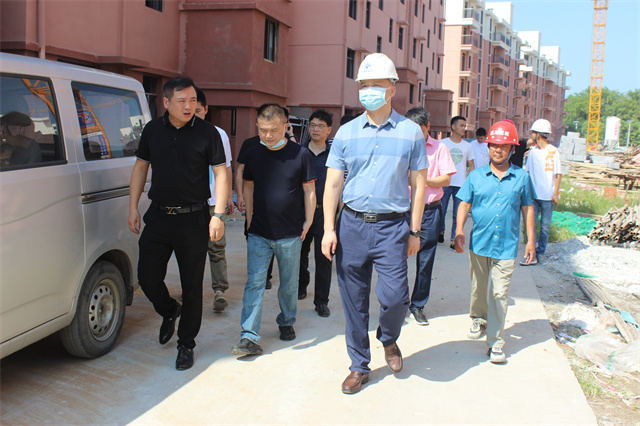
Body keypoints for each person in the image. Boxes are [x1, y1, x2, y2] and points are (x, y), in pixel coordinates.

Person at [322, 53, 428, 394]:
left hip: (392, 228)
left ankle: (389, 337)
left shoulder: (411, 133)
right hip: (352, 226)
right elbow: (333, 184)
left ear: (392, 88)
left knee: (396, 297)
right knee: (353, 301)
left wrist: (415, 230)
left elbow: (419, 185)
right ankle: (359, 366)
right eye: (363, 85)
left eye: (376, 84)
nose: (368, 90)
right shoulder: (346, 133)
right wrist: (328, 229)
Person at [128, 76, 228, 371]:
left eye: (193, 100)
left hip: (194, 219)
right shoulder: (152, 130)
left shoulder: (208, 133)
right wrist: (133, 207)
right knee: (147, 277)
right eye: (182, 101)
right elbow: (140, 168)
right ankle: (170, 309)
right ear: (166, 102)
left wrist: (218, 215)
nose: (189, 106)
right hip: (158, 216)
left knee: (191, 285)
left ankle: (186, 344)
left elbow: (221, 173)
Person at [231, 104, 316, 357]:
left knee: (288, 284)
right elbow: (248, 186)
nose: (268, 135)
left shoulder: (301, 154)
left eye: (274, 130)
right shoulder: (253, 152)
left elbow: (309, 191)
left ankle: (287, 321)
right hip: (259, 232)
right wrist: (249, 218)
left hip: (290, 234)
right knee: (254, 283)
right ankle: (249, 336)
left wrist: (308, 221)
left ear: (286, 126)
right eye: (263, 130)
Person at [453, 120, 535, 364]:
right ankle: (479, 319)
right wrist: (459, 230)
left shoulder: (521, 177)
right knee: (479, 288)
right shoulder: (476, 176)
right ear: (488, 147)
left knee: (499, 293)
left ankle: (496, 342)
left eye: (503, 146)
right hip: (480, 243)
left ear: (512, 149)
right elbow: (464, 204)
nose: (498, 150)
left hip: (507, 246)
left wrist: (530, 240)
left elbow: (528, 208)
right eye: (494, 145)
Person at [405, 107, 457, 325]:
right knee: (395, 258)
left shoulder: (439, 148)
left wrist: (420, 179)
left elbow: (446, 179)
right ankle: (398, 302)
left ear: (428, 126)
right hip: (402, 211)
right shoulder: (402, 146)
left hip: (430, 211)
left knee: (425, 260)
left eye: (420, 130)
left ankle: (417, 305)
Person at [194, 88, 234, 312]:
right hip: (191, 203)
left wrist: (228, 197)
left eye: (198, 110)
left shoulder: (219, 134)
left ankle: (219, 290)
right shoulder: (182, 133)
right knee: (191, 249)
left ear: (206, 109)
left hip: (213, 203)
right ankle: (191, 289)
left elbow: (226, 168)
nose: (193, 114)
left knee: (216, 247)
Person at [298, 109, 333, 317]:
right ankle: (301, 286)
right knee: (299, 254)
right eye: (312, 125)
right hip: (301, 212)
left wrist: (336, 216)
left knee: (324, 257)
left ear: (329, 130)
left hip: (324, 213)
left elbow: (339, 186)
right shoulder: (299, 152)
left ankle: (321, 301)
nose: (315, 129)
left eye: (320, 126)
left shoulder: (334, 155)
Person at [522, 119, 562, 266]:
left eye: (533, 133)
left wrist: (555, 193)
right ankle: (531, 253)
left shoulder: (553, 151)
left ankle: (541, 252)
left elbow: (558, 174)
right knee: (530, 225)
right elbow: (527, 172)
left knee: (545, 226)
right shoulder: (532, 152)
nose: (531, 135)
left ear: (538, 134)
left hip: (547, 195)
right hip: (533, 195)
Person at [440, 116, 474, 248]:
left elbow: (471, 165)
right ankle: (440, 232)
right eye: (461, 125)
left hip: (461, 185)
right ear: (453, 127)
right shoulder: (443, 144)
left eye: (465, 126)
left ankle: (454, 240)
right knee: (441, 211)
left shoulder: (468, 146)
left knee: (458, 214)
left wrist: (471, 183)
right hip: (444, 183)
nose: (463, 128)